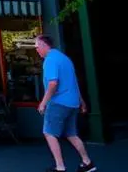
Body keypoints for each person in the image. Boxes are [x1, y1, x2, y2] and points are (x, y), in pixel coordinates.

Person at [35, 35, 96, 172]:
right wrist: (81, 101)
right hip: (72, 103)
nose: (37, 50)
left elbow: (53, 84)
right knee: (71, 133)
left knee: (49, 133)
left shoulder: (50, 60)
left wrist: (43, 103)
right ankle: (87, 163)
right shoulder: (65, 59)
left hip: (58, 102)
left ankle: (60, 167)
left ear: (45, 45)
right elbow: (74, 82)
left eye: (37, 47)